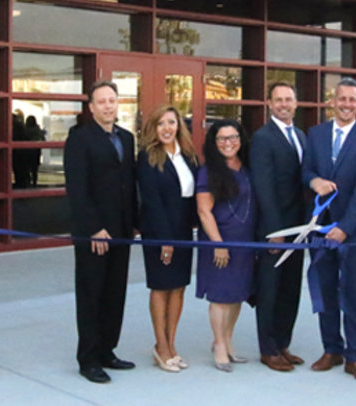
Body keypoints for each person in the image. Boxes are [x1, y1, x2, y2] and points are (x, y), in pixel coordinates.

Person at [302, 77, 356, 383]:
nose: (346, 104)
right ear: (332, 101)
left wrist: (345, 228)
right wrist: (314, 182)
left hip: (354, 231)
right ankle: (331, 349)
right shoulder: (316, 134)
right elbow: (306, 170)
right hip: (319, 228)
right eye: (341, 98)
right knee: (324, 289)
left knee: (353, 292)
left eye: (352, 99)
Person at [63, 81, 137, 383]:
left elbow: (128, 184)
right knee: (91, 294)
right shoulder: (80, 139)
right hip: (94, 233)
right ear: (91, 107)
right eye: (102, 101)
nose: (108, 106)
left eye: (112, 100)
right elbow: (77, 190)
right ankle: (89, 358)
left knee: (115, 292)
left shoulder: (127, 138)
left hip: (121, 231)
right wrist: (94, 228)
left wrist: (134, 224)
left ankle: (108, 349)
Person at [250, 82, 308, 372]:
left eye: (289, 99)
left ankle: (283, 344)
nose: (284, 104)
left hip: (300, 228)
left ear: (296, 103)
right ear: (269, 104)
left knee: (290, 287)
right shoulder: (263, 138)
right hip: (276, 231)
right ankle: (268, 349)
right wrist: (276, 231)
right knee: (270, 289)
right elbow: (264, 187)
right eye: (278, 100)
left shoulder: (300, 135)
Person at [136, 105, 199, 373]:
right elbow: (151, 201)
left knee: (179, 287)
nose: (167, 128)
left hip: (184, 230)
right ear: (153, 128)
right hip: (159, 231)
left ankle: (171, 345)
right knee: (161, 286)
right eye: (161, 123)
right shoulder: (147, 157)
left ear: (179, 126)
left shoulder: (188, 156)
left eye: (171, 122)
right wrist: (165, 239)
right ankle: (160, 347)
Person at [195, 119, 257, 372]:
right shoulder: (208, 171)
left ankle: (228, 341)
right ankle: (218, 344)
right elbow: (203, 211)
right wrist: (218, 244)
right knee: (220, 296)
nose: (228, 143)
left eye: (233, 138)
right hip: (220, 239)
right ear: (214, 143)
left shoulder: (247, 166)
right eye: (222, 139)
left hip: (245, 240)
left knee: (237, 295)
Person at [25, 115, 45, 186]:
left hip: (27, 151)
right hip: (36, 150)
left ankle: (28, 181)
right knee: (34, 169)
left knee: (26, 167)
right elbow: (43, 139)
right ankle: (34, 182)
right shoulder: (38, 130)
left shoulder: (26, 130)